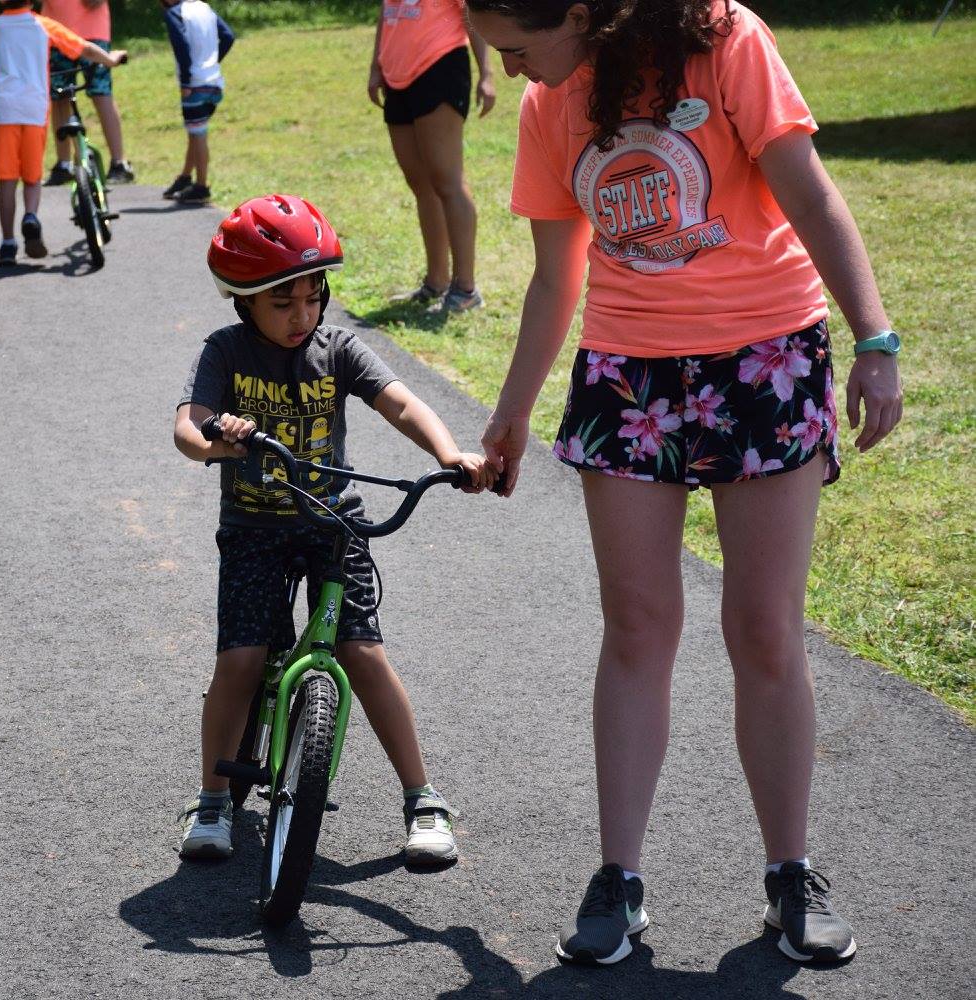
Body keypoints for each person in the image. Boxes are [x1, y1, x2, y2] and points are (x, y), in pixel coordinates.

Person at [467, 0, 903, 967]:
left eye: (518, 49)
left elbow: (809, 191)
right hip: (630, 373)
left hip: (765, 357)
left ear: (578, 12)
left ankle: (791, 874)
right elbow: (555, 278)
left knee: (762, 625)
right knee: (636, 624)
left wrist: (873, 338)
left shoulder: (720, 39)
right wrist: (511, 412)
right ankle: (618, 880)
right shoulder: (549, 108)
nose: (517, 73)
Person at [173, 195, 498, 863]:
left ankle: (423, 799)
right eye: (282, 302)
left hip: (330, 525)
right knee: (240, 660)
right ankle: (211, 802)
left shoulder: (337, 348)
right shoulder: (226, 352)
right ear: (244, 300)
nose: (303, 315)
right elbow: (188, 424)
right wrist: (218, 441)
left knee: (363, 654)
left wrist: (449, 454)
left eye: (313, 298)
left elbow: (400, 402)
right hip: (254, 528)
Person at [369, 1, 497, 314]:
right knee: (420, 184)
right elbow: (387, 14)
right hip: (397, 75)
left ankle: (465, 289)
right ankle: (436, 282)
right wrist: (375, 68)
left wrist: (487, 73)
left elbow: (472, 12)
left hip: (439, 66)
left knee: (447, 181)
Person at [0, 0, 126, 265]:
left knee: (7, 178)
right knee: (32, 175)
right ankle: (31, 217)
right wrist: (111, 59)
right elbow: (83, 48)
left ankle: (7, 243)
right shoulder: (43, 25)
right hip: (34, 107)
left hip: (4, 109)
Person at [42, 0, 134, 186]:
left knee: (101, 92)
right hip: (55, 31)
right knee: (59, 96)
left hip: (93, 31)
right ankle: (64, 164)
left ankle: (119, 163)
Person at [158, 0, 234, 204]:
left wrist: (185, 80)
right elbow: (228, 36)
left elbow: (181, 46)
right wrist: (212, 64)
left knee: (198, 134)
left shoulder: (175, 13)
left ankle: (201, 186)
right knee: (195, 131)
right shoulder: (204, 7)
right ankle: (185, 177)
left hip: (194, 84)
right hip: (215, 82)